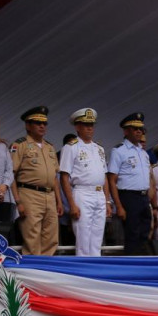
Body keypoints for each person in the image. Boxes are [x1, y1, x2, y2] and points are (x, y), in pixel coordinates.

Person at [11, 106, 62, 256]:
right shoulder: (20, 145)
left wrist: (59, 201)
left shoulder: (50, 147)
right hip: (29, 194)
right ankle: (32, 275)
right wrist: (18, 201)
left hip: (50, 195)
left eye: (44, 123)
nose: (42, 126)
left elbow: (54, 177)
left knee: (51, 238)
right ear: (28, 125)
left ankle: (46, 274)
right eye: (37, 123)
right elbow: (11, 175)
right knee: (32, 238)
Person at [60, 108, 108, 257]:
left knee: (97, 237)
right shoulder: (71, 147)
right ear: (77, 127)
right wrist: (72, 204)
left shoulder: (99, 148)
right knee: (83, 238)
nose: (89, 128)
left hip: (99, 194)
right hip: (82, 192)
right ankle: (83, 272)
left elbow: (104, 176)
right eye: (85, 124)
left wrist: (107, 201)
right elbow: (64, 177)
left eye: (91, 125)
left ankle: (96, 270)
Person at [108, 112, 153, 254]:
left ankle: (142, 265)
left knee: (145, 233)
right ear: (126, 131)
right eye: (135, 128)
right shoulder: (119, 151)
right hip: (129, 196)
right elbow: (111, 179)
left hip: (143, 197)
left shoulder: (143, 152)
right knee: (132, 234)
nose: (139, 131)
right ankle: (132, 266)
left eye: (141, 129)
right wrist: (119, 206)